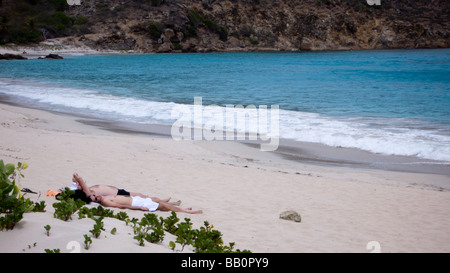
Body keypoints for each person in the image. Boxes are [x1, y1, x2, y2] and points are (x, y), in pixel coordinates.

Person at [71, 173, 202, 214]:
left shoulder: (101, 197)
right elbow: (121, 207)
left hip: (130, 198)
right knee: (163, 206)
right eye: (95, 197)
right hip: (135, 203)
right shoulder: (102, 200)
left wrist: (76, 184)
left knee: (160, 202)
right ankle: (185, 211)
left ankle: (181, 208)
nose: (96, 195)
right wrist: (139, 208)